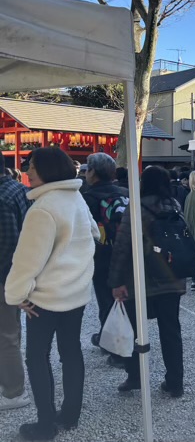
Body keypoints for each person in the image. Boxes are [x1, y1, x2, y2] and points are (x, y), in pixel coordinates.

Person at [5, 147, 99, 439]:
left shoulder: (43, 208)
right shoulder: (76, 198)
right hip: (76, 294)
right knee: (71, 353)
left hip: (44, 298)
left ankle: (45, 424)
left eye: (32, 166)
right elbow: (94, 235)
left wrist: (17, 294)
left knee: (37, 357)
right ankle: (70, 414)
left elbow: (26, 260)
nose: (27, 171)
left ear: (46, 170)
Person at [109, 166, 186, 398]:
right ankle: (175, 382)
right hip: (171, 276)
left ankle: (135, 377)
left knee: (133, 329)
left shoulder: (136, 207)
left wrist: (116, 280)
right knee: (171, 330)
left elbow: (123, 246)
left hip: (140, 278)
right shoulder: (174, 205)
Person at [82, 153, 129, 369]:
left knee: (106, 300)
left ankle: (113, 345)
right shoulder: (126, 194)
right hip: (128, 253)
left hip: (101, 254)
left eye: (87, 169)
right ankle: (118, 337)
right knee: (125, 299)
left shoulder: (88, 197)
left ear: (93, 172)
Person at [0, 166, 31, 412]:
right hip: (20, 271)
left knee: (6, 336)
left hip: (4, 275)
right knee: (11, 332)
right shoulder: (21, 190)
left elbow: (6, 242)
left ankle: (13, 392)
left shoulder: (2, 197)